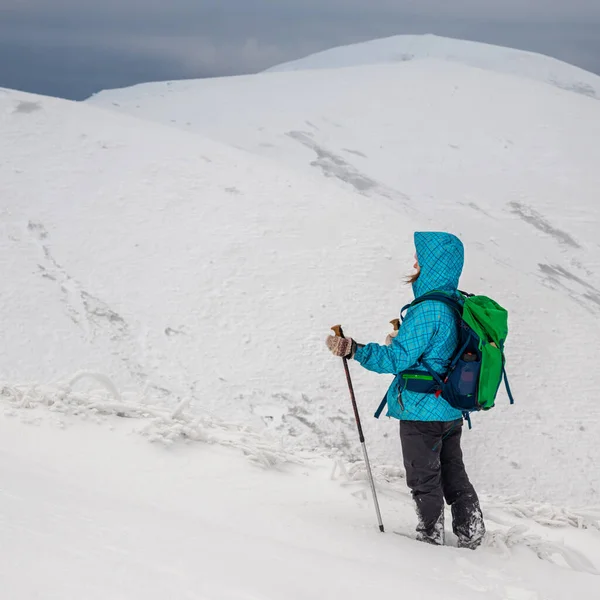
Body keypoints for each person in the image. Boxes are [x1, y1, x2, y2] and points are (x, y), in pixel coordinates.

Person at [325, 231, 485, 549]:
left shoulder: (428, 309)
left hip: (422, 409)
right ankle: (471, 530)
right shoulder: (456, 302)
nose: (415, 261)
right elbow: (439, 351)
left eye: (419, 257)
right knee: (453, 470)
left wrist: (353, 348)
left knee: (423, 476)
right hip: (451, 407)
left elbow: (397, 360)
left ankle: (430, 536)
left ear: (432, 263)